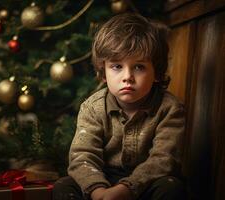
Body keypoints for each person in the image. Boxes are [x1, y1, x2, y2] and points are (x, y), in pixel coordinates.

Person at [53, 13, 186, 200]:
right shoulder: (92, 108)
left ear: (156, 72)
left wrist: (127, 189)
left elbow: (164, 160)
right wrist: (98, 191)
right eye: (117, 66)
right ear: (103, 72)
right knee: (63, 186)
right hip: (101, 178)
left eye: (139, 67)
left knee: (171, 188)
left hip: (147, 181)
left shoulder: (170, 108)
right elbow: (83, 156)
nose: (127, 77)